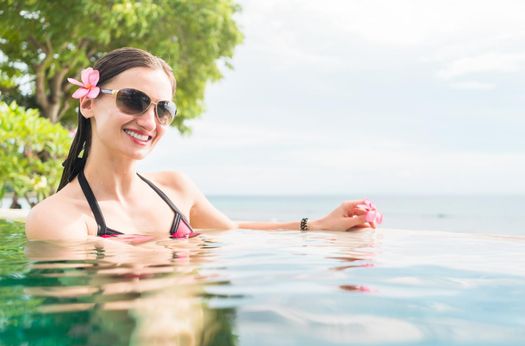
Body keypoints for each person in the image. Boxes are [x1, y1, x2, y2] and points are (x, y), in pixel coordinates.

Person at [25, 47, 383, 241]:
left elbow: (231, 230)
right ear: (88, 103)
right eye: (133, 100)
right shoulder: (58, 219)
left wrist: (316, 225)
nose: (149, 122)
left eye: (163, 109)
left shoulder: (176, 188)